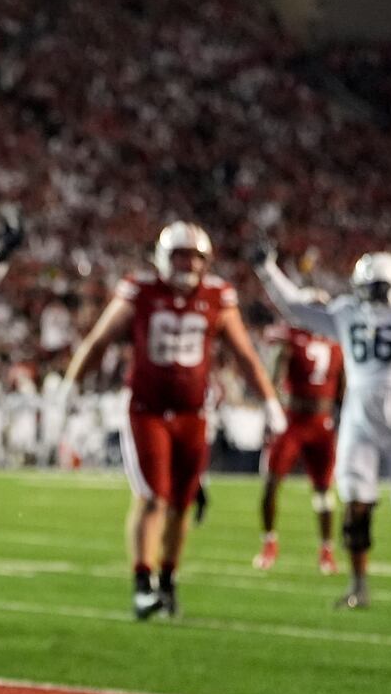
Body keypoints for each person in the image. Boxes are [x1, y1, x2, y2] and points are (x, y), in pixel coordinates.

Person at [56, 222, 288, 619]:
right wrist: (69, 387)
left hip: (194, 413)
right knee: (151, 497)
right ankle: (142, 583)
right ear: (163, 257)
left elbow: (245, 355)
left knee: (181, 503)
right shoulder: (141, 290)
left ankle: (167, 579)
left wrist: (270, 401)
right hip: (147, 410)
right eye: (181, 255)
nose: (188, 264)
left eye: (195, 256)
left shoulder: (218, 295)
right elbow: (100, 340)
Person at [255, 245, 391, 610]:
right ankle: (358, 586)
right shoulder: (348, 312)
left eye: (378, 286)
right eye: (368, 286)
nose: (371, 294)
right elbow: (295, 308)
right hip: (360, 421)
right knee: (355, 508)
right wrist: (266, 270)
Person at [253, 313, 344, 573]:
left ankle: (327, 549)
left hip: (322, 422)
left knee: (325, 490)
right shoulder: (292, 340)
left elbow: (342, 388)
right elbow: (274, 377)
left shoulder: (335, 343)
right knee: (271, 482)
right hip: (292, 419)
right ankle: (269, 542)